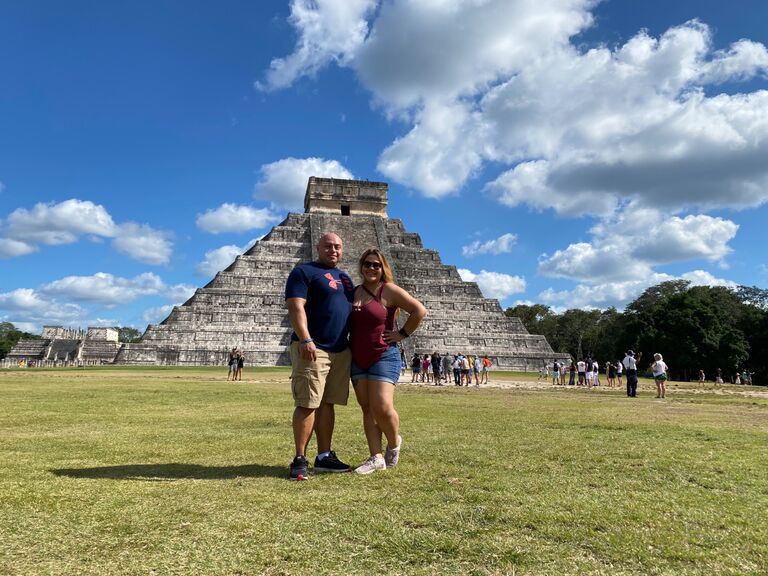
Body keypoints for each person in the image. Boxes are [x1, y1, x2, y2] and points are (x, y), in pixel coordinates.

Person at [285, 232, 355, 481]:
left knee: (327, 404)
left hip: (340, 349)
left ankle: (324, 456)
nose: (333, 250)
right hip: (313, 348)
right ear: (318, 247)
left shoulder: (346, 278)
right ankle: (300, 458)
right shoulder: (303, 272)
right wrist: (305, 338)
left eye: (337, 246)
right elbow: (295, 306)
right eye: (328, 246)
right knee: (307, 402)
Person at [349, 248, 426, 474]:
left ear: (383, 268)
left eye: (376, 264)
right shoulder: (354, 292)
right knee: (366, 408)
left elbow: (419, 310)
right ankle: (376, 457)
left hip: (384, 354)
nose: (371, 268)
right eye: (367, 264)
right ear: (361, 266)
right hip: (358, 356)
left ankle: (394, 443)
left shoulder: (389, 290)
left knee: (382, 406)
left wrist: (402, 334)